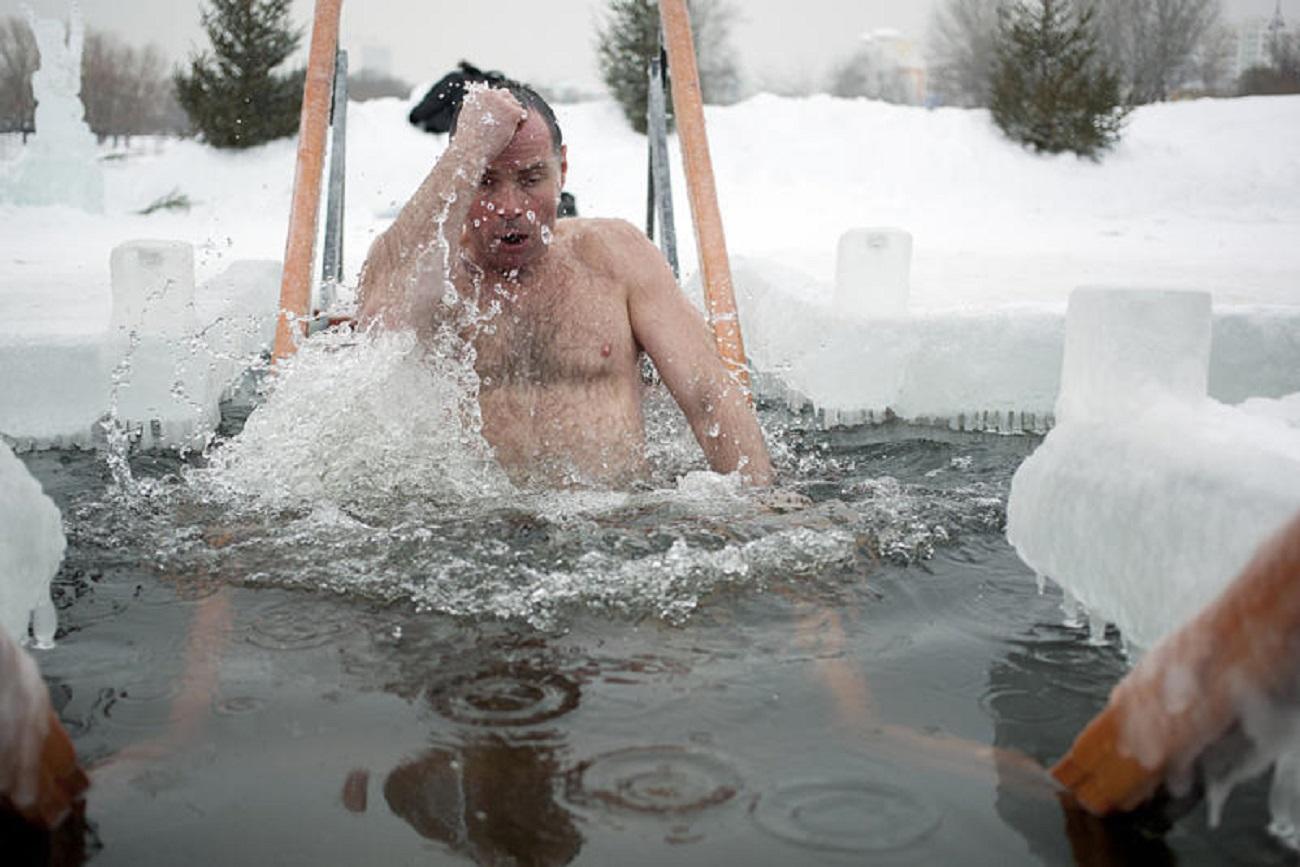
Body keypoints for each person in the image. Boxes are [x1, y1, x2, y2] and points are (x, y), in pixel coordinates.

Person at [357, 80, 774, 488]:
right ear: (460, 178)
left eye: (530, 179)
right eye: (485, 181)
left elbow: (709, 397)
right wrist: (467, 149)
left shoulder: (615, 257)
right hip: (474, 530)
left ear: (563, 171)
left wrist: (758, 502)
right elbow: (379, 314)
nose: (509, 208)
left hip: (614, 528)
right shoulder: (437, 276)